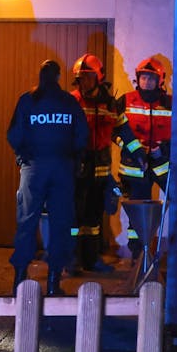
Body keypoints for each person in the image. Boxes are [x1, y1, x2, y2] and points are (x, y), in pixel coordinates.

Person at [6, 60, 89, 294]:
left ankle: (19, 280)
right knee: (60, 224)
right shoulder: (69, 102)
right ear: (58, 76)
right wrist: (72, 158)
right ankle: (53, 282)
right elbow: (82, 135)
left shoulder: (28, 100)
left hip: (33, 169)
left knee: (26, 223)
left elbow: (14, 135)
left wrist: (23, 156)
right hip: (62, 169)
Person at [68, 54, 123, 274]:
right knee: (74, 215)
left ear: (98, 77)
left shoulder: (109, 103)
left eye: (89, 77)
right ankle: (71, 259)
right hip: (77, 166)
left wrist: (136, 153)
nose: (84, 82)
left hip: (100, 167)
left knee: (94, 217)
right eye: (80, 78)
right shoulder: (71, 100)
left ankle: (92, 260)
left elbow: (121, 130)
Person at [115, 57, 173, 262]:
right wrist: (132, 149)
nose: (146, 81)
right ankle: (138, 255)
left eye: (151, 78)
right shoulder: (125, 100)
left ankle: (176, 247)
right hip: (134, 168)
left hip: (162, 165)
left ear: (161, 80)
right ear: (137, 78)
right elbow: (113, 131)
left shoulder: (170, 103)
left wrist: (163, 150)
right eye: (143, 77)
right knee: (137, 214)